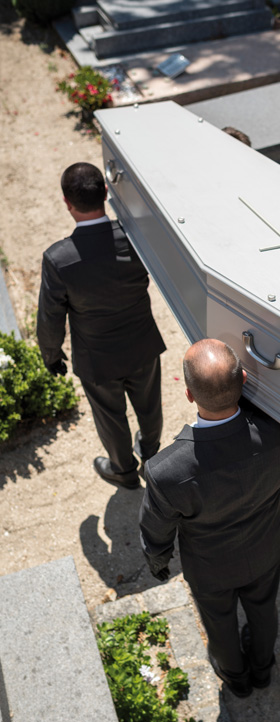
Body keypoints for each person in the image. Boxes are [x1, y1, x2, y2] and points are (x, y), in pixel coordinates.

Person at [139, 339, 280, 697]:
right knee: (263, 609)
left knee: (219, 622)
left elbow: (156, 528)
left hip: (210, 566)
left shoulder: (166, 472)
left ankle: (236, 678)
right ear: (243, 379)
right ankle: (262, 668)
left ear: (189, 395)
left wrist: (157, 559)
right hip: (264, 545)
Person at [37, 162, 166, 490]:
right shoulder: (135, 238)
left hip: (97, 357)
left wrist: (51, 355)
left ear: (67, 203)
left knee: (110, 418)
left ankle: (123, 472)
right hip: (143, 343)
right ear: (106, 193)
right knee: (150, 405)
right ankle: (151, 454)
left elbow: (51, 316)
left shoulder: (59, 259)